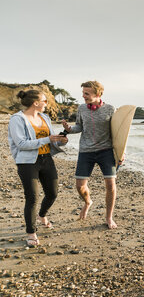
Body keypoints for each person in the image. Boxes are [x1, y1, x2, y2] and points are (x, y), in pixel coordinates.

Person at [8, 90, 68, 246]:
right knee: (32, 198)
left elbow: (50, 140)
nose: (46, 103)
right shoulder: (17, 119)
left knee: (53, 193)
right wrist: (46, 139)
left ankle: (42, 215)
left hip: (46, 159)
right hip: (27, 162)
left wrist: (60, 141)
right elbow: (21, 144)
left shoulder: (45, 117)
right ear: (35, 103)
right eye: (44, 100)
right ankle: (31, 233)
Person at [62, 81, 120, 229]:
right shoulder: (82, 108)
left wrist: (121, 152)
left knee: (110, 184)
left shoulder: (110, 109)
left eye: (86, 93)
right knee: (80, 186)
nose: (83, 96)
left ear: (98, 94)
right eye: (83, 93)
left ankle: (109, 217)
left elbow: (119, 133)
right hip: (86, 151)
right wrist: (69, 129)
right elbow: (79, 126)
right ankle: (88, 202)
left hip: (105, 150)